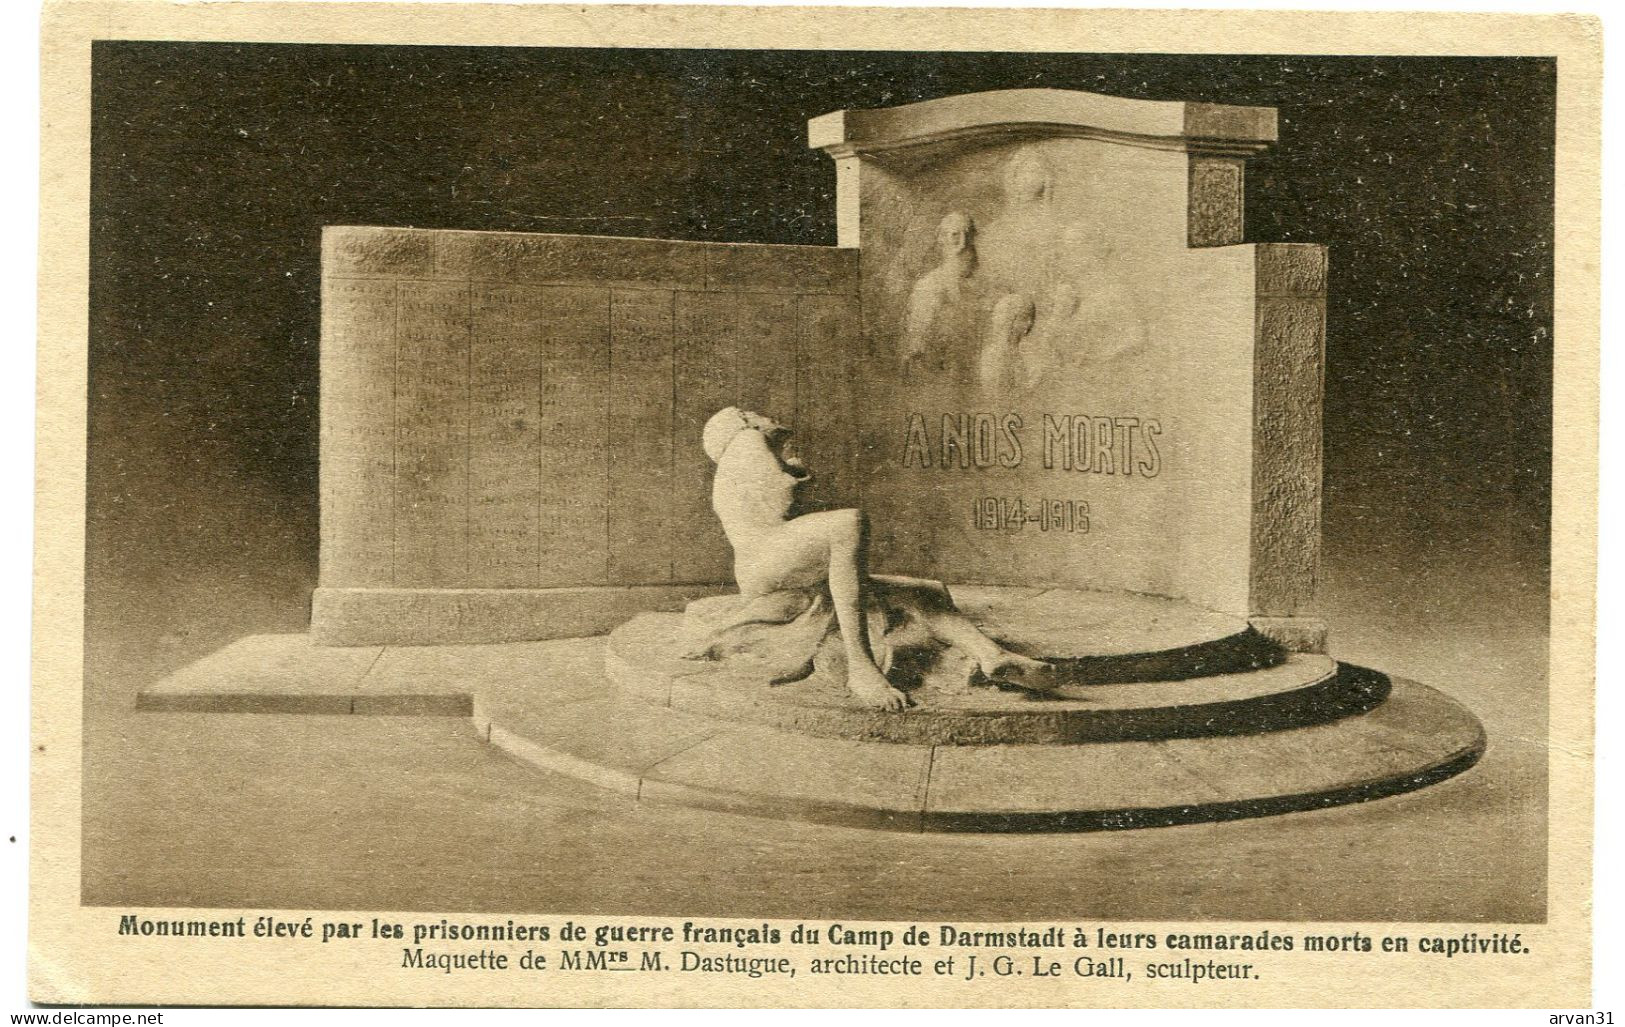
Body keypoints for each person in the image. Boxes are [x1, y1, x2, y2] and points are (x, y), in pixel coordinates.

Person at [696, 406, 1056, 711]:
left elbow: (782, 504)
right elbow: (784, 501)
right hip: (767, 561)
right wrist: (795, 471)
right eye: (759, 414)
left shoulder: (744, 458)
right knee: (847, 524)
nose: (769, 417)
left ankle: (992, 655)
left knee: (923, 592)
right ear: (744, 420)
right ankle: (860, 665)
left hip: (779, 562)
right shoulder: (746, 441)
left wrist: (792, 470)